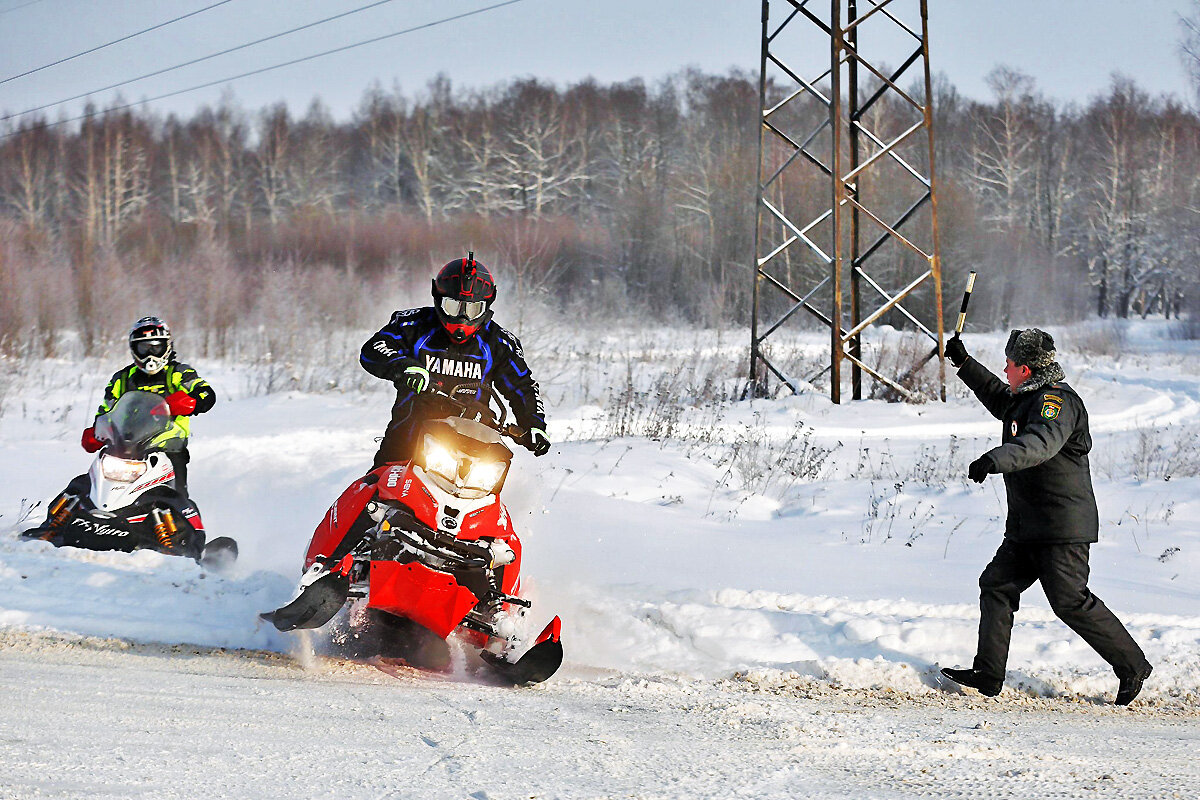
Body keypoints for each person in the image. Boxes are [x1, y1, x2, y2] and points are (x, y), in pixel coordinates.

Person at [940, 329, 1153, 705]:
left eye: (1008, 364)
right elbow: (997, 396)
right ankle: (988, 674)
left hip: (1060, 527)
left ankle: (1133, 665)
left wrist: (996, 458)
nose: (1004, 370)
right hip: (1028, 528)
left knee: (1069, 601)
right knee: (996, 585)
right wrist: (964, 361)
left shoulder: (1056, 404)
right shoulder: (1027, 398)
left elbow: (1039, 444)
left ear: (1024, 368)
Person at [360, 254, 549, 467]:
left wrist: (534, 425)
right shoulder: (412, 325)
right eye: (453, 307)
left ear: (487, 306)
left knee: (490, 493)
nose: (462, 318)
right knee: (376, 494)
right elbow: (372, 350)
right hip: (406, 442)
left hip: (472, 450)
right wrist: (404, 367)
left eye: (472, 309)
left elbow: (522, 387)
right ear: (437, 299)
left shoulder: (500, 344)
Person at [83, 316, 217, 495]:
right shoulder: (122, 378)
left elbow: (206, 393)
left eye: (156, 347)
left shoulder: (178, 373)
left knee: (176, 498)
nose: (150, 355)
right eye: (144, 348)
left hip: (168, 449)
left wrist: (191, 401)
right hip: (124, 449)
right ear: (134, 349)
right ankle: (62, 517)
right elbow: (106, 409)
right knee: (88, 487)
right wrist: (96, 432)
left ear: (167, 346)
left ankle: (184, 521)